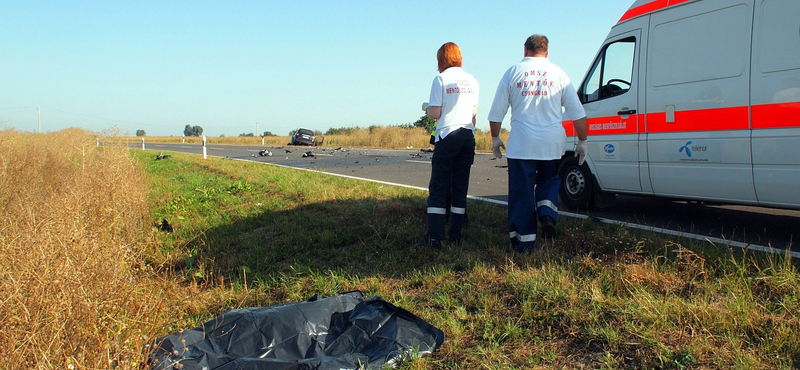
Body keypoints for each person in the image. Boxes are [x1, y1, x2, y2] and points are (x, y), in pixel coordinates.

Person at [487, 34, 589, 253]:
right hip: (551, 144)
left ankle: (524, 243)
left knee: (522, 193)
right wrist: (583, 141)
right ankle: (547, 215)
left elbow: (496, 113)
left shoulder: (513, 72)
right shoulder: (559, 74)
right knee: (550, 181)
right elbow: (578, 114)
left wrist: (495, 138)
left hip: (522, 144)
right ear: (547, 52)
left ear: (525, 50)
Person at [420, 42, 479, 247]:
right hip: (467, 136)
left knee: (439, 185)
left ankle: (435, 236)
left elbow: (436, 113)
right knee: (460, 185)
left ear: (441, 60)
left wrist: (426, 108)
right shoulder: (472, 81)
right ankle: (455, 235)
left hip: (448, 134)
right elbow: (473, 114)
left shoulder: (441, 79)